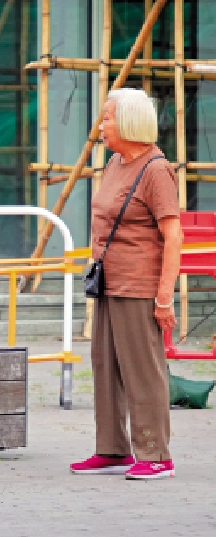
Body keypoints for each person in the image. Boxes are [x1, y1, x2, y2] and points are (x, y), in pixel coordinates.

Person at [70, 88, 182, 480]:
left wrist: (164, 297)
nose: (101, 126)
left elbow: (174, 236)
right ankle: (112, 449)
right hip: (108, 280)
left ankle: (155, 454)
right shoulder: (117, 163)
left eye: (107, 119)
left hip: (138, 285)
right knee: (105, 365)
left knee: (142, 370)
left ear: (131, 123)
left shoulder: (156, 170)